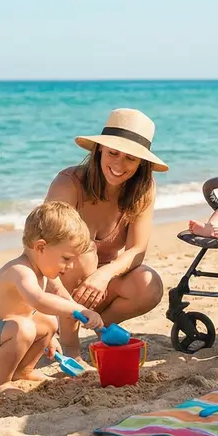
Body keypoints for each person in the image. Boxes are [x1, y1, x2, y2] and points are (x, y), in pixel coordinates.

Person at [44, 108, 167, 359]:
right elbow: (44, 252)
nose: (119, 165)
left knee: (149, 285)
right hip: (54, 289)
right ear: (99, 150)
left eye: (130, 158)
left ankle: (98, 329)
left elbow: (137, 250)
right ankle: (70, 346)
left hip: (95, 289)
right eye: (113, 153)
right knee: (83, 250)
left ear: (141, 162)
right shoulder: (69, 183)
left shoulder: (143, 189)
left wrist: (104, 274)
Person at [0, 202, 105, 395]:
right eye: (66, 258)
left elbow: (61, 297)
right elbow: (38, 300)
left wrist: (51, 334)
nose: (70, 266)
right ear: (40, 247)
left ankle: (23, 372)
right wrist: (77, 311)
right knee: (24, 327)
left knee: (49, 322)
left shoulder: (42, 272)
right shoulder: (20, 271)